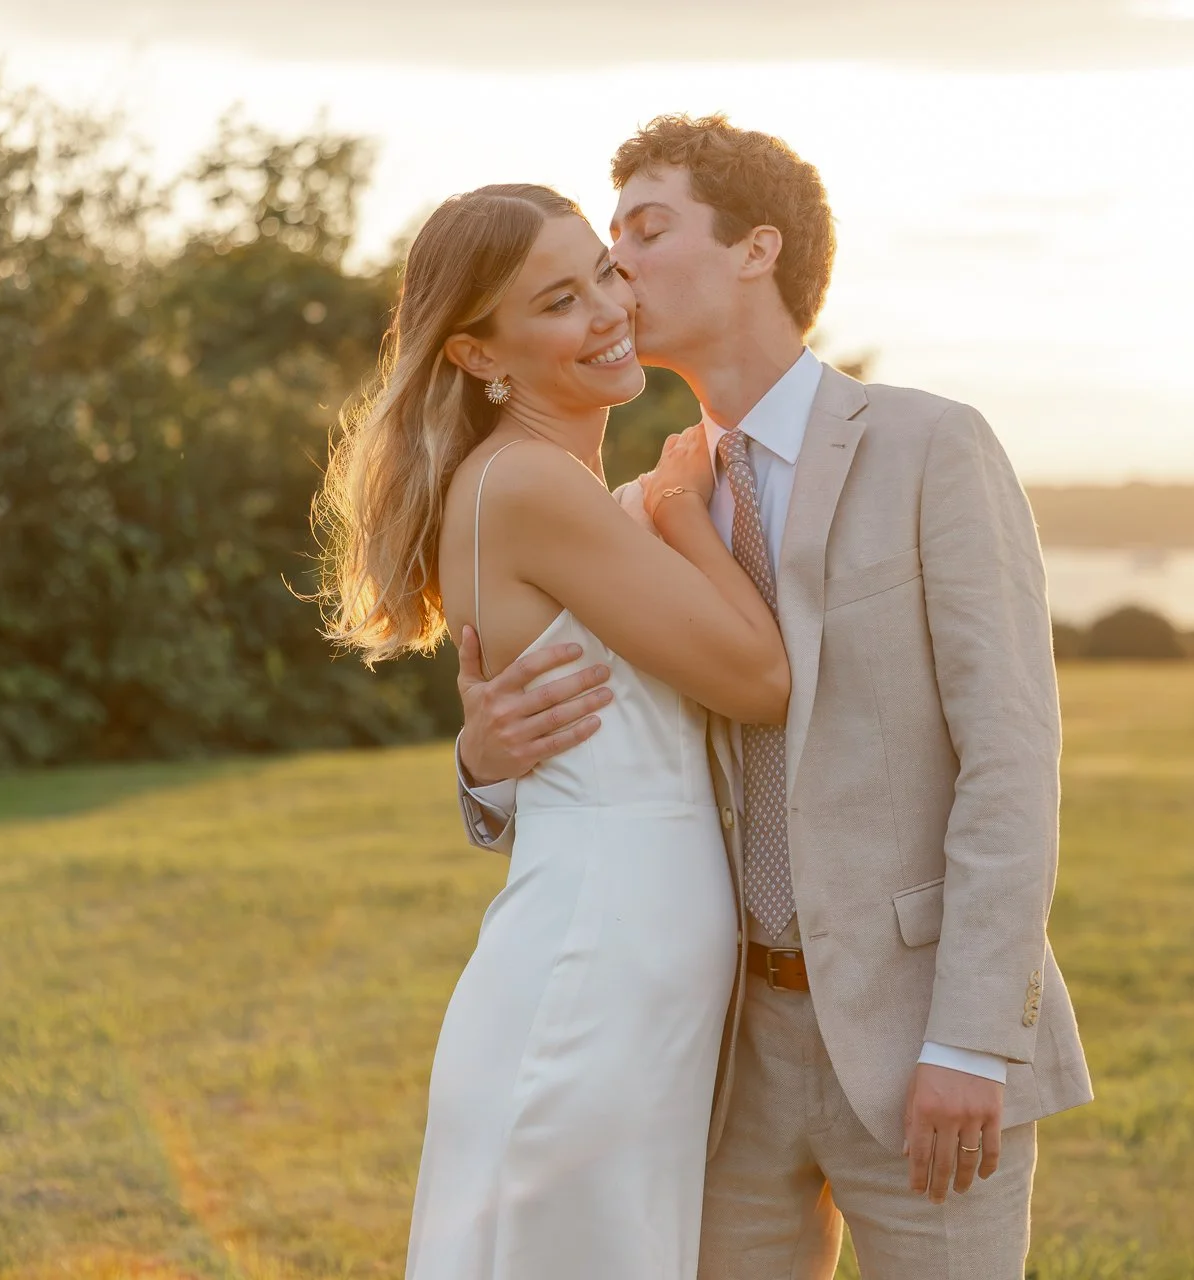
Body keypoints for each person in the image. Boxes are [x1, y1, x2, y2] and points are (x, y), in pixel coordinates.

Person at [456, 117, 1094, 1279]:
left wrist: (968, 1041)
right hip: (722, 1048)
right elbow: (613, 747)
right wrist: (481, 766)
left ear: (758, 248)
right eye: (605, 254)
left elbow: (1010, 759)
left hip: (917, 1039)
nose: (619, 276)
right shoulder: (653, 501)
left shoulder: (930, 446)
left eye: (643, 235)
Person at [314, 182, 790, 1278]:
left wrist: (482, 765)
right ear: (481, 355)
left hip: (632, 937)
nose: (609, 310)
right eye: (560, 301)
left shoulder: (554, 484)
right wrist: (677, 513)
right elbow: (760, 678)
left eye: (607, 274)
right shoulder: (531, 483)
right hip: (600, 951)